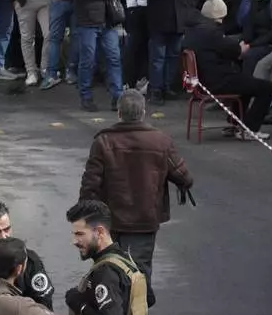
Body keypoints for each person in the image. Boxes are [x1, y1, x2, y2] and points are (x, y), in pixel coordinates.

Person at [79, 90, 193, 295]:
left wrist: (84, 216)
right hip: (145, 218)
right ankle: (138, 314)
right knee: (140, 269)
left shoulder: (103, 141)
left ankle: (111, 311)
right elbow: (183, 176)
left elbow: (90, 183)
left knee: (108, 266)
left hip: (110, 218)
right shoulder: (161, 141)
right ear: (143, 112)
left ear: (119, 113)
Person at [182, 0, 272, 138]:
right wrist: (242, 48)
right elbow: (236, 51)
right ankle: (250, 129)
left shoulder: (192, 31)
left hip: (201, 81)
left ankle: (235, 123)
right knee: (267, 88)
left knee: (245, 82)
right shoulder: (212, 33)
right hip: (217, 81)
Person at [71, 0, 124, 111]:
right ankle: (85, 96)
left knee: (114, 58)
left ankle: (117, 97)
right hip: (87, 20)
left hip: (108, 20)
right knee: (88, 60)